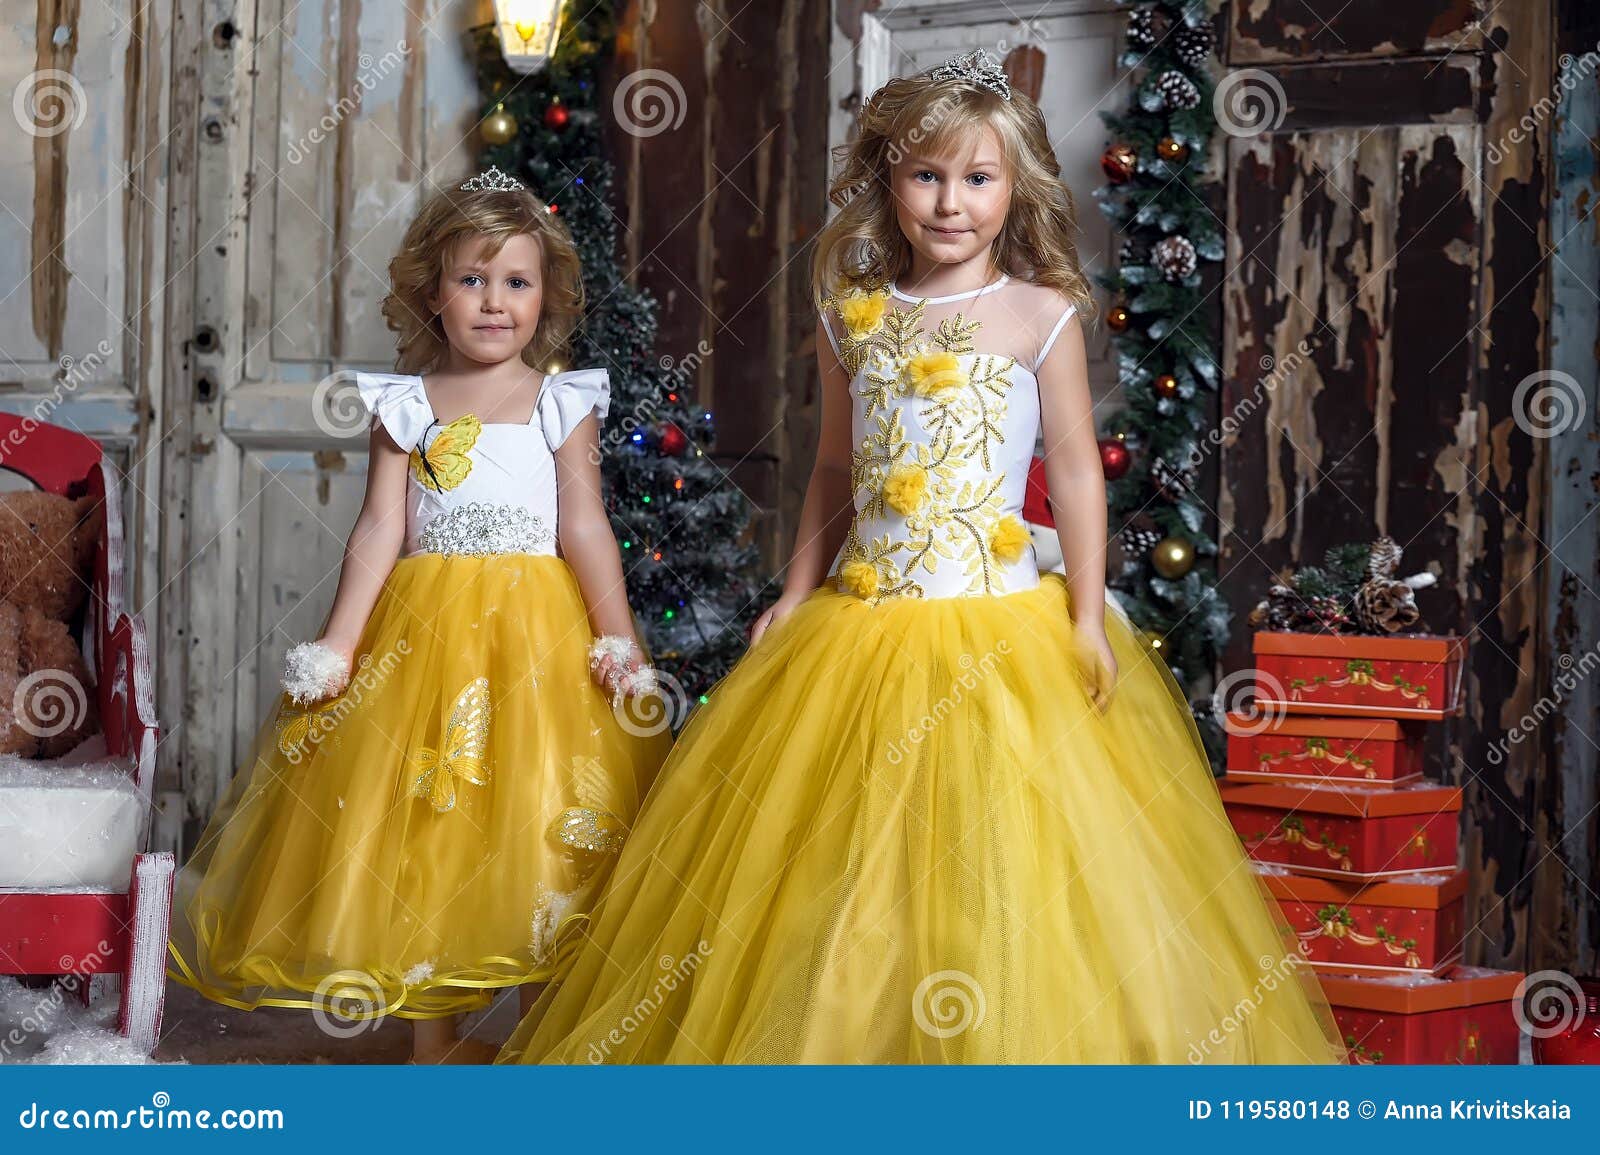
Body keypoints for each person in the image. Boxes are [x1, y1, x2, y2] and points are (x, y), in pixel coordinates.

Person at [497, 51, 1345, 1064]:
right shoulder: (852, 316)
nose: (951, 203)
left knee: (1005, 863)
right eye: (925, 176)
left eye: (977, 179)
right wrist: (794, 591)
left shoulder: (1043, 315)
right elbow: (829, 471)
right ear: (886, 183)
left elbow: (1075, 473)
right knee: (845, 866)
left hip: (999, 621)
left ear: (1014, 188)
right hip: (861, 620)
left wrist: (1083, 614)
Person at [167, 166, 672, 1063]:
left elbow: (586, 523)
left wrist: (618, 639)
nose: (493, 301)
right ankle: (433, 1046)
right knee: (431, 830)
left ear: (545, 293)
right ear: (431, 291)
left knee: (543, 823)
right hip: (426, 640)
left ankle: (537, 1040)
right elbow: (379, 526)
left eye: (515, 281)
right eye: (471, 280)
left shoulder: (562, 400)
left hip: (540, 640)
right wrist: (338, 642)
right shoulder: (405, 405)